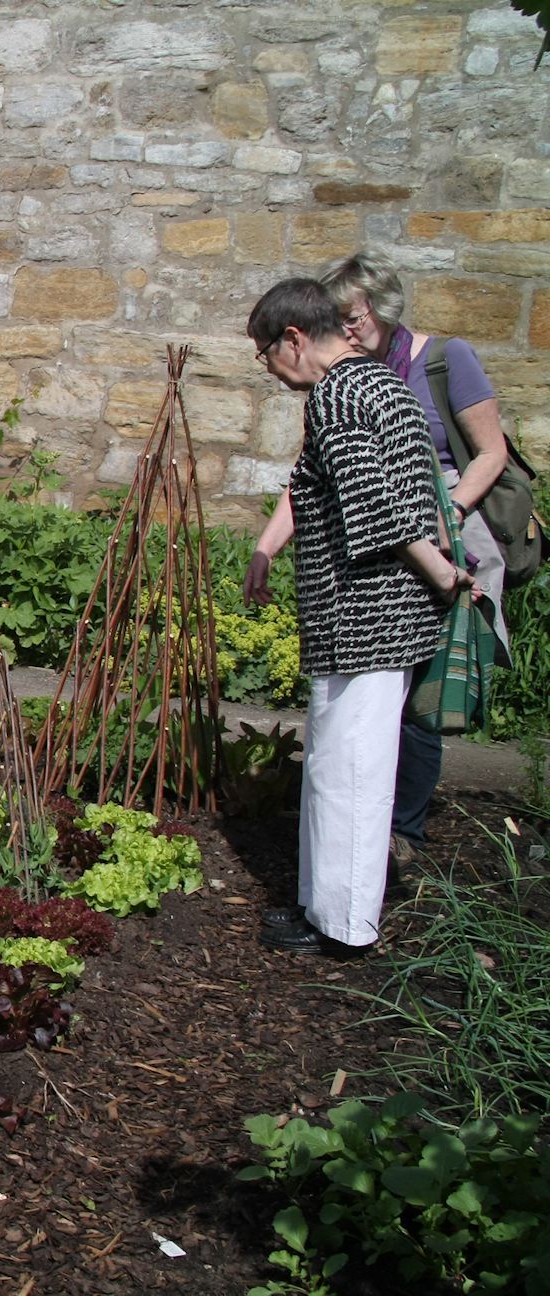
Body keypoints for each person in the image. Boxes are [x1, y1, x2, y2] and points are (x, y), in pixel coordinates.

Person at [241, 279, 473, 957]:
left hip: (361, 615)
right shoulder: (382, 383)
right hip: (382, 614)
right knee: (346, 767)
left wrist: (440, 573)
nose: (269, 368)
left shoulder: (338, 394)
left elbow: (376, 505)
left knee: (349, 773)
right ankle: (326, 909)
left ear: (293, 339)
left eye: (265, 353)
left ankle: (342, 927)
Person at [320, 252, 512, 858]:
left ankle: (403, 830)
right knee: (382, 686)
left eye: (352, 318)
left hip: (447, 539)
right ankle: (366, 817)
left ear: (382, 307)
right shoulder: (347, 376)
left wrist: (448, 511)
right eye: (335, 321)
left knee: (423, 692)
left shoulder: (445, 359)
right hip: (384, 547)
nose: (345, 331)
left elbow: (491, 452)